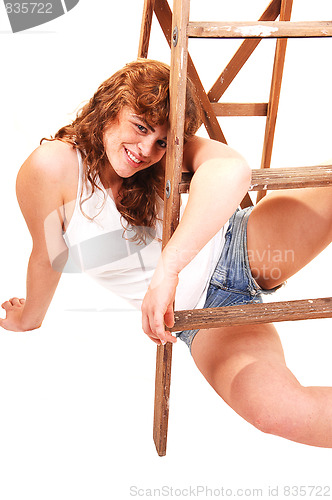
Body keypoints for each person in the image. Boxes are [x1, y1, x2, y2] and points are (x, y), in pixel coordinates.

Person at [1, 59, 331, 447]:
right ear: (108, 108)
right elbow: (47, 256)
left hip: (242, 245)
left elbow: (232, 169)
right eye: (139, 128)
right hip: (203, 315)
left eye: (161, 140)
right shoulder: (51, 167)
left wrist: (168, 270)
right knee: (279, 412)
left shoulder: (166, 144)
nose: (146, 150)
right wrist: (29, 318)